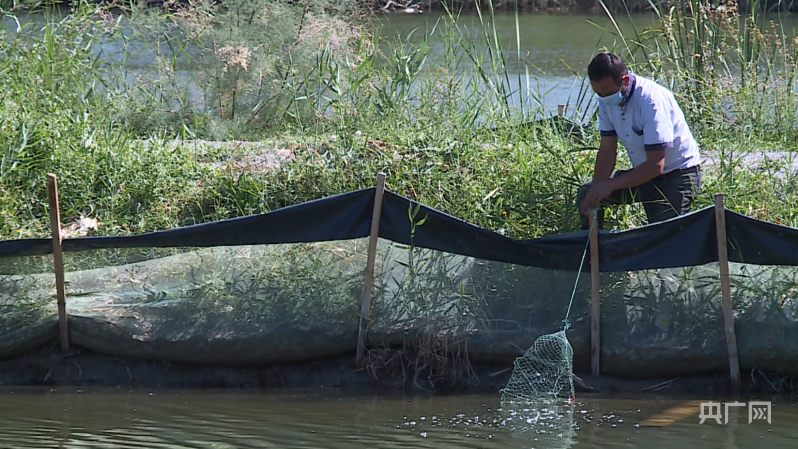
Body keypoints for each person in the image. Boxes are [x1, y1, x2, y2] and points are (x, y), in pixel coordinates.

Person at [577, 52, 702, 230]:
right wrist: (597, 190)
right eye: (599, 93)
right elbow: (607, 150)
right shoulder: (606, 100)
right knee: (586, 193)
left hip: (677, 175)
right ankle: (593, 253)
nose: (604, 98)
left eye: (608, 93)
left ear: (625, 81)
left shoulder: (651, 101)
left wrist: (609, 185)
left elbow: (656, 164)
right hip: (644, 172)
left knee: (664, 236)